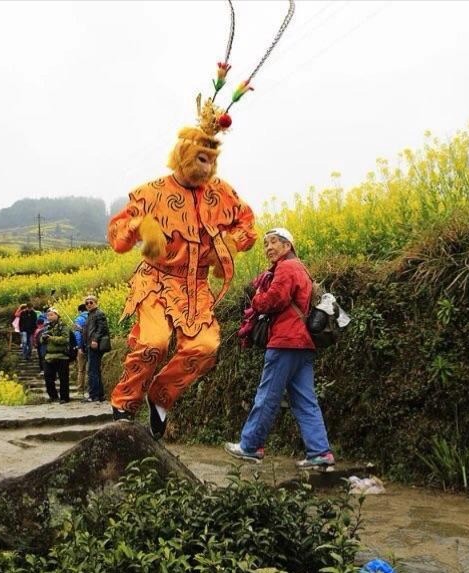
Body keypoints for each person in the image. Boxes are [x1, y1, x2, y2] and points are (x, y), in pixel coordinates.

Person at [106, 94, 257, 437]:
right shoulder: (152, 192)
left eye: (212, 162)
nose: (207, 169)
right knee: (153, 343)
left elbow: (246, 225)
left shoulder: (221, 192)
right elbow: (117, 235)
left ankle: (160, 397)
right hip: (156, 281)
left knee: (205, 348)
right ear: (184, 155)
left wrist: (228, 245)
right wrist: (143, 228)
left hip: (196, 287)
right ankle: (124, 402)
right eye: (201, 159)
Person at [224, 228, 335, 470]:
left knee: (268, 395)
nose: (268, 248)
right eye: (266, 244)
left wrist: (256, 299)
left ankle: (250, 445)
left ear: (287, 246)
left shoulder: (286, 268)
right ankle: (320, 453)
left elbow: (275, 299)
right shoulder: (301, 268)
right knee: (306, 400)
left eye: (274, 242)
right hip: (303, 343)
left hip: (285, 340)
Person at [82, 295, 110, 403]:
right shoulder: (90, 315)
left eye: (91, 302)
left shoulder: (99, 313)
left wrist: (95, 340)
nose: (89, 304)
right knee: (94, 370)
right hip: (90, 345)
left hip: (95, 345)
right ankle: (99, 395)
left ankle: (93, 395)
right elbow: (91, 330)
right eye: (87, 303)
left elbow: (102, 328)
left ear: (96, 303)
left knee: (92, 371)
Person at [40, 308, 72, 403]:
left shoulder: (63, 326)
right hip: (49, 356)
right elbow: (41, 341)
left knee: (63, 378)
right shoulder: (46, 327)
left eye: (52, 315)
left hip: (62, 356)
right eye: (48, 315)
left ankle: (64, 398)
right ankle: (53, 396)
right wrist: (43, 338)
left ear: (57, 315)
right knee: (48, 377)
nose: (49, 317)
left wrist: (51, 338)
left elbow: (65, 340)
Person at [73, 303, 89, 397]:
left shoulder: (79, 319)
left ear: (79, 311)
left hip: (82, 347)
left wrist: (79, 347)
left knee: (81, 370)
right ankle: (89, 390)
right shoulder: (92, 316)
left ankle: (80, 391)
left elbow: (77, 335)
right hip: (92, 346)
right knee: (90, 370)